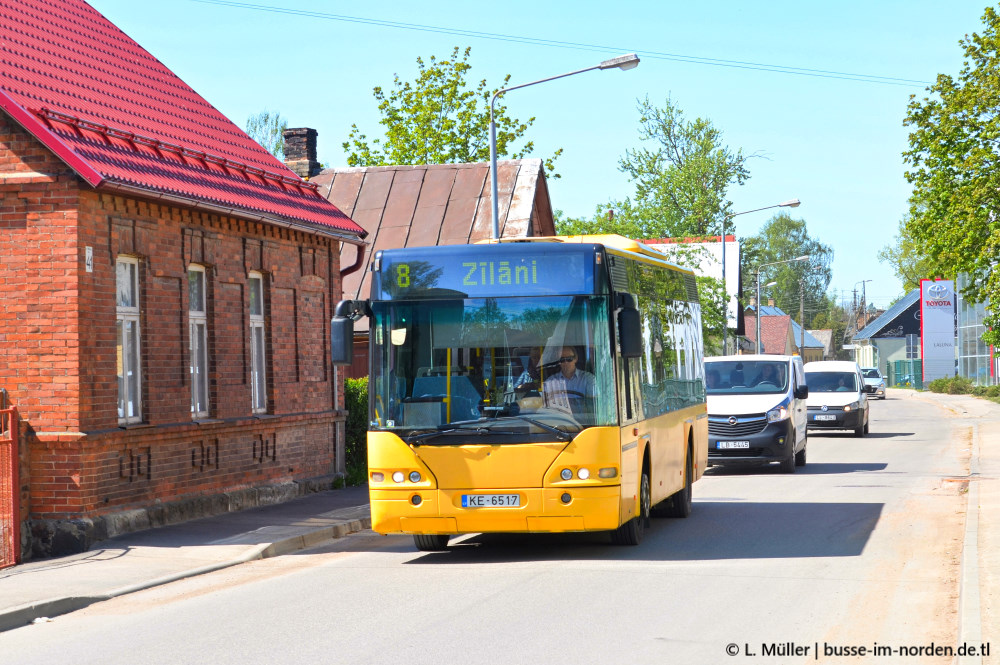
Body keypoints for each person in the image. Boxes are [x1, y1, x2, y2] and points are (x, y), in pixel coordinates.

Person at [543, 346, 596, 413]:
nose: (566, 362)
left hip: (584, 422)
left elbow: (593, 405)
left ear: (575, 359)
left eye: (569, 359)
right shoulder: (550, 382)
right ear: (559, 362)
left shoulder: (588, 379)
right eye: (562, 360)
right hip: (559, 421)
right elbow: (546, 408)